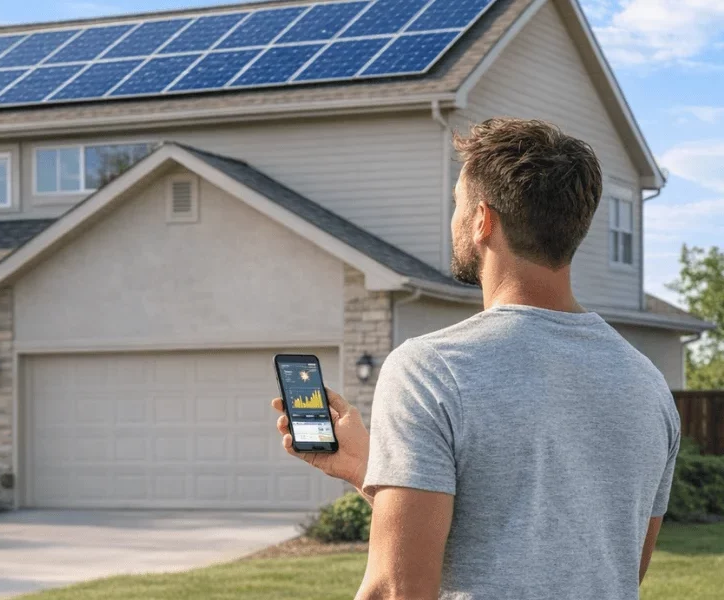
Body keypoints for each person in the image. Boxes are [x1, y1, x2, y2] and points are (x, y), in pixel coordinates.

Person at [273, 118, 679, 600]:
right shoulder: (649, 387)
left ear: (483, 219)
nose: (453, 221)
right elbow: (602, 567)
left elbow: (397, 590)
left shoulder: (430, 370)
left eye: (456, 205)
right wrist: (372, 468)